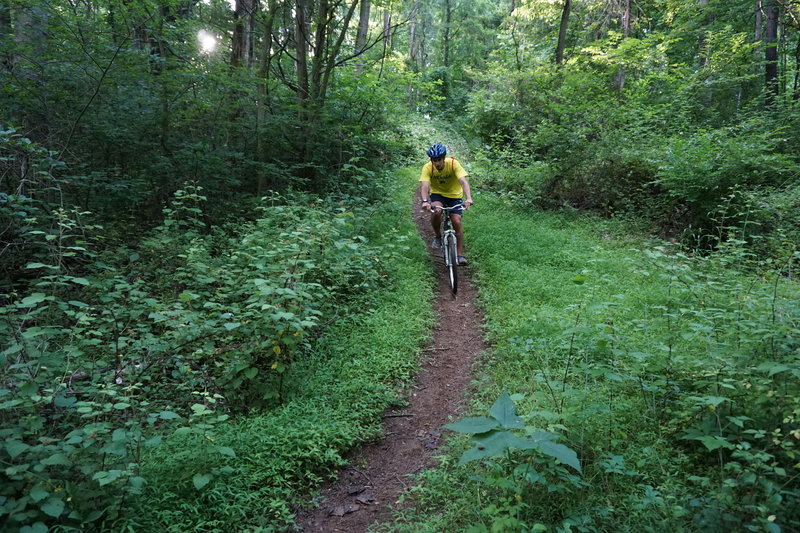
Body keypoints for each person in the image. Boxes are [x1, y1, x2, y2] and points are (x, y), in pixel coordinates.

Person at [419, 143, 473, 266]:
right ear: (431, 160)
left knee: (457, 221)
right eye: (434, 160)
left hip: (454, 196)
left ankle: (459, 255)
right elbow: (425, 185)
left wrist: (468, 198)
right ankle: (438, 236)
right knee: (436, 211)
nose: (436, 163)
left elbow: (463, 182)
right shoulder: (428, 167)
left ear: (443, 158)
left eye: (439, 160)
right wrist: (425, 201)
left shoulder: (454, 164)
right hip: (438, 194)